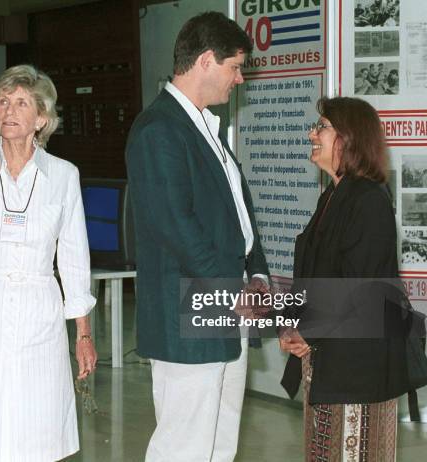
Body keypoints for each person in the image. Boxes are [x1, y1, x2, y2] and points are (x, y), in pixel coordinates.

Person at [125, 12, 269, 462]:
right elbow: (176, 227)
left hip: (225, 305)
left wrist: (257, 274)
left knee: (220, 442)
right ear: (207, 60)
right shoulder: (159, 129)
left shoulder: (207, 127)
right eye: (235, 67)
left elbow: (238, 214)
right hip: (189, 312)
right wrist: (233, 292)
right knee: (184, 446)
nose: (239, 79)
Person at [0, 64, 97, 462]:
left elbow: (75, 254)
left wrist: (82, 334)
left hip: (38, 309)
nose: (8, 110)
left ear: (41, 118)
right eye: (2, 102)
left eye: (21, 102)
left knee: (36, 427)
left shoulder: (63, 175)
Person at [279, 96, 421, 461]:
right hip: (328, 358)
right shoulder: (333, 194)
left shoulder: (369, 199)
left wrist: (308, 332)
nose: (312, 133)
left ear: (349, 138)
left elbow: (359, 288)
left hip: (359, 368)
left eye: (322, 126)